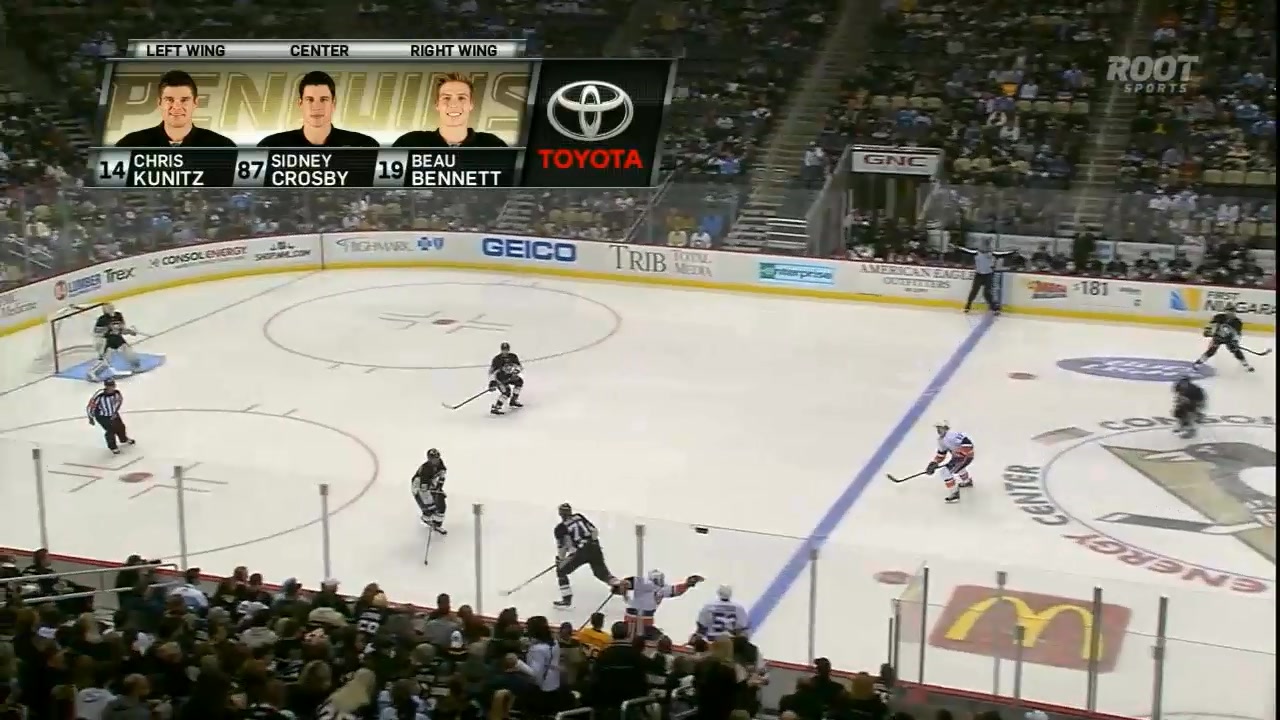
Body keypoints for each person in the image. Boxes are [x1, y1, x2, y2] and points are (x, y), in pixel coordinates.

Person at [114, 70, 235, 147]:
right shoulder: (130, 145)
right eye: (169, 99)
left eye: (184, 100)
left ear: (195, 103)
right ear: (159, 103)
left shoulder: (222, 147)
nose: (176, 107)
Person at [257, 71, 379, 148]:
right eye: (309, 99)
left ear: (333, 103)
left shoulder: (363, 146)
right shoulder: (271, 147)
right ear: (300, 103)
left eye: (323, 99)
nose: (316, 107)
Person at [393, 73, 509, 148]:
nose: (453, 104)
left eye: (461, 98)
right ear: (437, 105)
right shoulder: (410, 143)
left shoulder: (492, 145)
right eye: (446, 98)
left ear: (471, 105)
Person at [552, 503, 615, 608]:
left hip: (581, 552)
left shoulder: (560, 528)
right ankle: (618, 584)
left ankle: (566, 599)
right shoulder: (579, 517)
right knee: (601, 573)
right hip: (595, 547)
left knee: (561, 571)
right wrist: (592, 543)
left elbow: (562, 547)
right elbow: (594, 531)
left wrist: (560, 559)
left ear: (560, 514)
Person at [955, 239, 1015, 314]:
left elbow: (1003, 254)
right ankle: (968, 306)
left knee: (987, 294)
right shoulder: (976, 253)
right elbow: (966, 251)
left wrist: (1012, 252)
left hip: (988, 275)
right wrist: (958, 248)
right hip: (979, 275)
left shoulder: (992, 253)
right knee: (974, 291)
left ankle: (994, 308)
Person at [926, 421, 975, 504]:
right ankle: (967, 481)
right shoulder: (941, 440)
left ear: (946, 428)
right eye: (937, 428)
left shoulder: (952, 435)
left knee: (945, 472)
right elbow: (941, 454)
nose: (938, 430)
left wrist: (962, 453)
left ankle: (954, 494)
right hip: (958, 457)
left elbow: (968, 444)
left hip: (965, 457)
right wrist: (934, 463)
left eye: (940, 428)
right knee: (958, 468)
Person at [87, 379, 135, 455]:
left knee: (121, 427)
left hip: (113, 414)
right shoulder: (99, 395)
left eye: (112, 386)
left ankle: (123, 439)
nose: (111, 388)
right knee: (110, 430)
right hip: (102, 416)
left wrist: (115, 411)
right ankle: (113, 447)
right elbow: (91, 406)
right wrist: (90, 417)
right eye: (109, 386)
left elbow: (119, 401)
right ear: (105, 386)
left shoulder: (117, 393)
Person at [411, 449, 448, 534]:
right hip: (419, 486)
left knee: (440, 501)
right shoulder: (425, 469)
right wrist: (430, 505)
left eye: (437, 458)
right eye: (433, 459)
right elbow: (423, 489)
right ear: (429, 459)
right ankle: (427, 517)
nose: (436, 460)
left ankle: (437, 522)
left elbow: (442, 476)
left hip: (431, 484)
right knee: (429, 505)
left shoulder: (440, 464)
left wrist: (439, 487)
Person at [488, 342, 524, 415]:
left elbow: (519, 366)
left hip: (510, 377)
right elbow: (492, 372)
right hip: (500, 380)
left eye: (506, 350)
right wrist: (492, 382)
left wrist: (516, 371)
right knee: (506, 392)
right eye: (503, 350)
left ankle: (513, 400)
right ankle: (496, 407)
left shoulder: (513, 357)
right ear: (501, 350)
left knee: (519, 382)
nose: (505, 351)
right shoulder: (497, 359)